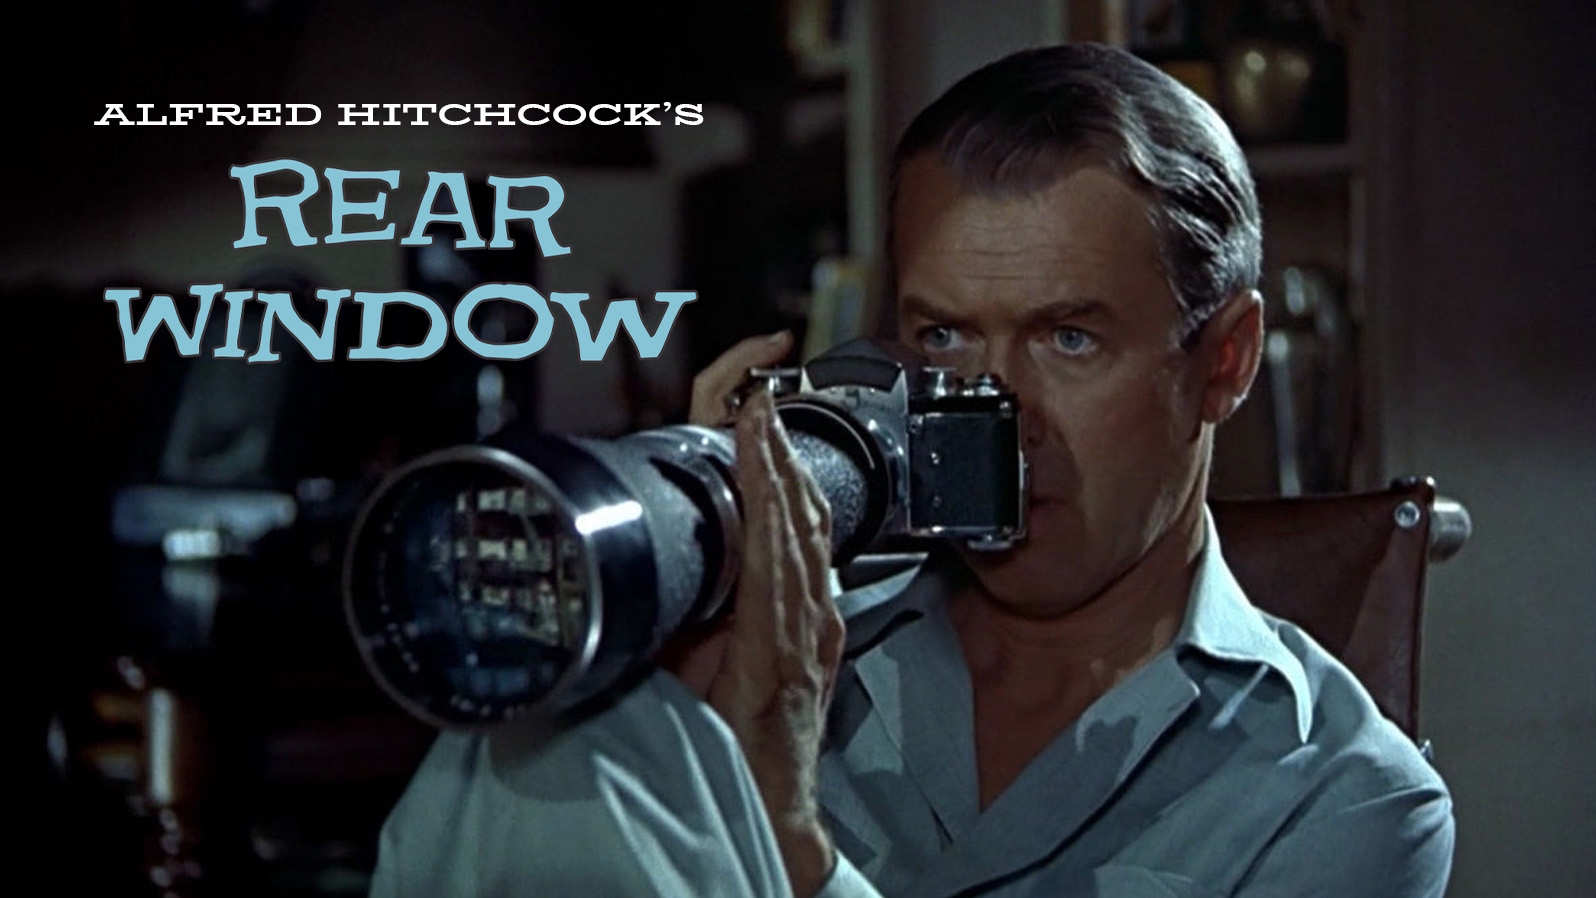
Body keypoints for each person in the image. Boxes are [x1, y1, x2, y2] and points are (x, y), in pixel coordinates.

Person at [370, 44, 1454, 897]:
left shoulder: (1344, 798)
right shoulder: (782, 641)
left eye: (1069, 339)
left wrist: (786, 838)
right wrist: (647, 651)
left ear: (1224, 362)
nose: (992, 412)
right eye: (943, 338)